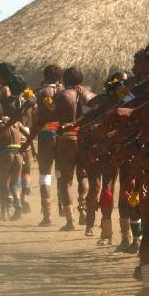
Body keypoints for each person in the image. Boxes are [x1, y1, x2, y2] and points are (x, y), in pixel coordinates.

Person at [54, 67, 96, 231]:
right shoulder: (90, 95)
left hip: (67, 138)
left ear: (65, 80)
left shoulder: (61, 95)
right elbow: (90, 116)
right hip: (85, 138)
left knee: (66, 181)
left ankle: (70, 221)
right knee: (83, 175)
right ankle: (83, 210)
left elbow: (55, 118)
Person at [24, 64, 64, 226]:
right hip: (62, 133)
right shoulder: (66, 92)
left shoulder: (39, 92)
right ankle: (64, 206)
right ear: (60, 78)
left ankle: (47, 216)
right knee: (62, 173)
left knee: (45, 175)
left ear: (44, 76)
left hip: (46, 135)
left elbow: (28, 104)